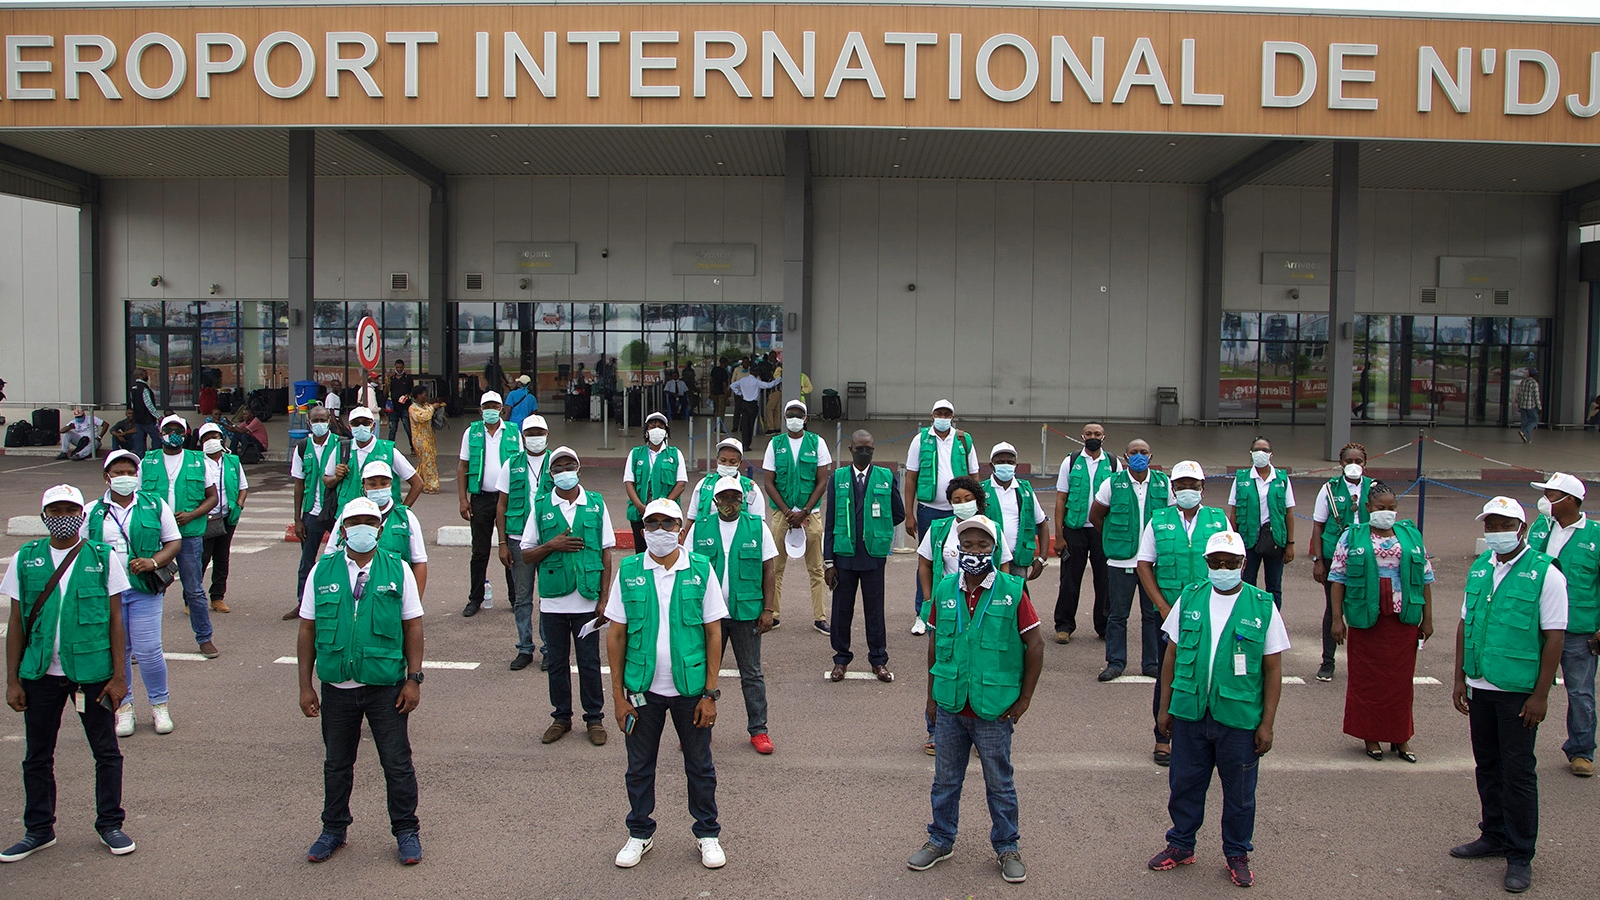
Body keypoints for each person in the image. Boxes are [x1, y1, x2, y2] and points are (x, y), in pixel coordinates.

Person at [1, 484, 135, 863]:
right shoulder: (25, 558)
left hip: (92, 673)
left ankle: (110, 823)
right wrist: (13, 680)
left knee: (106, 751)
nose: (63, 517)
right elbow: (16, 621)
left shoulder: (102, 556)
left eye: (70, 509)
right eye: (55, 510)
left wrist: (119, 676)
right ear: (44, 516)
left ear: (81, 513)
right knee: (37, 755)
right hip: (40, 673)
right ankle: (39, 829)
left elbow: (114, 619)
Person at [908, 515, 1043, 885]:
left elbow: (1035, 644)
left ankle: (1007, 846)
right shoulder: (946, 589)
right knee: (944, 780)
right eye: (967, 545)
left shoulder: (1013, 590)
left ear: (995, 549)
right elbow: (936, 644)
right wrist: (932, 695)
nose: (974, 552)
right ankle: (940, 840)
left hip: (994, 709)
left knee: (999, 782)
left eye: (983, 545)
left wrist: (1025, 699)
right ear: (956, 549)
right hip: (951, 704)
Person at [1149, 530, 1288, 889]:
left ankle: (1237, 853)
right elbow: (1172, 655)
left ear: (1243, 564)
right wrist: (1164, 708)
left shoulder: (1262, 605)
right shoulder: (1191, 597)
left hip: (1239, 718)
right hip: (1191, 711)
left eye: (1230, 563)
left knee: (1240, 793)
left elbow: (1273, 669)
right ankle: (1181, 844)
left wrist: (1267, 724)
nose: (1222, 568)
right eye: (1215, 562)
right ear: (1206, 564)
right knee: (1184, 783)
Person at [295, 497, 425, 867]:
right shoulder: (322, 571)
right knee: (336, 763)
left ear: (380, 529)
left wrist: (413, 679)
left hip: (385, 685)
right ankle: (333, 829)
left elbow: (413, 626)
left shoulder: (398, 570)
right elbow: (307, 628)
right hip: (337, 687)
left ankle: (406, 831)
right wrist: (305, 685)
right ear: (343, 529)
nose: (363, 528)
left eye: (370, 521)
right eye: (355, 522)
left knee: (397, 763)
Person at [1449, 496, 1567, 894]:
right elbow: (1466, 624)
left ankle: (1520, 854)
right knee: (1488, 765)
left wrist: (1541, 695)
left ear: (1521, 528)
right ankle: (1494, 834)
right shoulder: (1481, 567)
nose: (1495, 532)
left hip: (1518, 691)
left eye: (1503, 524)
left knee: (1518, 773)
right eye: (1490, 525)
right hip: (1480, 684)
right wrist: (1458, 678)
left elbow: (1554, 638)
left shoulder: (1545, 574)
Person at [604, 499, 728, 870]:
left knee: (700, 766)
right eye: (653, 524)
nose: (661, 531)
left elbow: (713, 633)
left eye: (668, 524)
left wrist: (710, 693)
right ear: (643, 530)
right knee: (639, 766)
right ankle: (640, 833)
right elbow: (616, 636)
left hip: (690, 690)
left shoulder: (700, 570)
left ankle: (707, 834)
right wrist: (617, 697)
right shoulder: (628, 572)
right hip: (642, 690)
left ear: (680, 528)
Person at [1329, 482, 1435, 762]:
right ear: (1368, 508)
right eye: (1380, 508)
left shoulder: (1411, 536)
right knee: (1368, 681)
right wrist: (1337, 619)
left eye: (1391, 508)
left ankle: (1401, 738)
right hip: (1367, 620)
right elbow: (1337, 579)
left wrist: (1428, 619)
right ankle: (1371, 736)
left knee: (1401, 684)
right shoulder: (1351, 537)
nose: (1386, 513)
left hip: (1403, 621)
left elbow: (1425, 579)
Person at [520, 447, 616, 745]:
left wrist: (603, 599)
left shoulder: (596, 505)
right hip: (553, 601)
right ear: (551, 474)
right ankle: (561, 717)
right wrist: (552, 545)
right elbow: (526, 553)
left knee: (589, 662)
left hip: (587, 599)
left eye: (569, 465)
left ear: (578, 468)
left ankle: (595, 719)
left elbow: (606, 553)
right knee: (558, 662)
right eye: (558, 467)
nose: (564, 471)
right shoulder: (541, 506)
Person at [1136, 461, 1229, 766]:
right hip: (1170, 613)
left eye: (1194, 485)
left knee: (1208, 672)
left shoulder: (1218, 520)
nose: (1188, 490)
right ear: (1173, 488)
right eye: (1182, 485)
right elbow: (1144, 565)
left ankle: (1204, 736)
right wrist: (1163, 607)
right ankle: (1163, 738)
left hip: (1210, 611)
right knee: (1170, 674)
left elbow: (1231, 563)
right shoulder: (1158, 520)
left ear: (1203, 487)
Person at [85, 452, 181, 739]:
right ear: (107, 476)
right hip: (106, 592)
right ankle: (123, 707)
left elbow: (173, 541)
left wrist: (153, 562)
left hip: (143, 589)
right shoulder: (92, 510)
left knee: (149, 649)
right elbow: (79, 551)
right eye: (118, 472)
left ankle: (159, 705)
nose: (124, 477)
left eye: (130, 472)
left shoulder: (154, 505)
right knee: (118, 651)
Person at [916, 477, 1013, 753]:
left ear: (978, 501)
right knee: (943, 666)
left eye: (967, 499)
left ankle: (985, 727)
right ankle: (936, 730)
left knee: (983, 666)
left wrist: (1000, 601)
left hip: (983, 609)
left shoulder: (992, 528)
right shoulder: (938, 529)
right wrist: (928, 598)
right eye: (956, 500)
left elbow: (1003, 565)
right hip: (949, 609)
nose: (962, 504)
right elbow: (925, 564)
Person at [691, 476, 779, 754]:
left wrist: (768, 609)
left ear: (743, 500)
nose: (730, 503)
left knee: (751, 673)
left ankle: (759, 730)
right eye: (725, 498)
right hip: (709, 616)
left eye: (735, 497)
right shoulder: (700, 528)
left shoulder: (757, 527)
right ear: (714, 501)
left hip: (746, 613)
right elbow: (690, 572)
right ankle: (698, 728)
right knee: (703, 673)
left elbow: (769, 571)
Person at [1525, 472, 1600, 777]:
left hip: (1579, 629)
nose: (1545, 500)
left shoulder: (1595, 535)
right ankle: (1520, 745)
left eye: (1551, 494)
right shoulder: (1540, 530)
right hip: (1539, 625)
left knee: (1580, 692)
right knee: (1526, 686)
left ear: (1570, 500)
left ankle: (1582, 751)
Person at [824, 430, 906, 683]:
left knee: (874, 611)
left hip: (873, 555)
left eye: (869, 448)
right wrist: (828, 562)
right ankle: (840, 659)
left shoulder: (884, 476)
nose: (865, 452)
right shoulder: (837, 478)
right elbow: (830, 522)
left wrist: (877, 529)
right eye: (860, 448)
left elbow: (898, 513)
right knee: (841, 611)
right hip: (844, 556)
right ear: (850, 450)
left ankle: (879, 660)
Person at [1091, 439, 1172, 682]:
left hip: (1153, 563)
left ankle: (1152, 663)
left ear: (1151, 455)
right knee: (1118, 615)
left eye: (1143, 452)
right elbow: (1096, 516)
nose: (1139, 456)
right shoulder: (1112, 483)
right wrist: (1115, 540)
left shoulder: (1163, 483)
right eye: (1134, 452)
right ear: (1125, 457)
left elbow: (1172, 516)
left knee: (1152, 614)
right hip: (1120, 562)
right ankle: (1115, 662)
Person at [141, 415, 220, 658]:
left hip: (188, 535)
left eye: (177, 429)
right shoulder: (147, 461)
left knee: (194, 589)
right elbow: (137, 498)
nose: (172, 433)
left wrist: (192, 515)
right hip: (154, 537)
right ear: (160, 432)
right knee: (151, 589)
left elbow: (212, 498)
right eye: (168, 429)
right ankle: (144, 643)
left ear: (186, 433)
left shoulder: (198, 461)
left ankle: (205, 638)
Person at [905, 400, 979, 635]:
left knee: (965, 558)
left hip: (960, 510)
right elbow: (911, 477)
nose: (943, 417)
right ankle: (922, 613)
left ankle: (962, 609)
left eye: (947, 414)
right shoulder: (920, 440)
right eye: (939, 413)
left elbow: (974, 473)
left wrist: (976, 508)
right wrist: (910, 513)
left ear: (953, 417)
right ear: (932, 415)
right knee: (927, 561)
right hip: (929, 509)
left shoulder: (963, 440)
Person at [760, 401, 834, 634]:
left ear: (806, 418)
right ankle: (775, 614)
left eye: (798, 415)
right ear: (784, 418)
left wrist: (804, 510)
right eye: (790, 415)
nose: (794, 418)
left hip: (809, 514)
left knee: (815, 568)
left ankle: (820, 617)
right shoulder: (775, 445)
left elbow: (822, 481)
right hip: (782, 514)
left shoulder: (817, 443)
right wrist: (786, 512)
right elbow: (769, 482)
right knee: (776, 567)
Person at [1309, 443, 1373, 683]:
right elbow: (1318, 525)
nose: (1353, 465)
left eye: (1358, 461)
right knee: (1333, 610)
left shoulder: (1375, 488)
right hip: (1335, 557)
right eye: (1349, 461)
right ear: (1341, 464)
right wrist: (1318, 560)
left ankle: (1363, 662)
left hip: (1366, 557)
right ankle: (1328, 662)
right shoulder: (1328, 489)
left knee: (1365, 608)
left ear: (1365, 464)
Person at [497, 414, 554, 671]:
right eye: (530, 434)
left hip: (550, 540)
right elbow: (502, 504)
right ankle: (524, 647)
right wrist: (501, 542)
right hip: (519, 539)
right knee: (522, 598)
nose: (535, 438)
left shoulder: (558, 462)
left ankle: (548, 648)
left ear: (547, 435)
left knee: (549, 596)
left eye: (539, 433)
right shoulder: (512, 464)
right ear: (523, 437)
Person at [1053, 423, 1120, 643]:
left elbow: (1118, 499)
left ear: (1104, 437)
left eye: (1097, 434)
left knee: (1105, 580)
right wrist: (1059, 534)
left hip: (1103, 530)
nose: (1093, 437)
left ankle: (1104, 626)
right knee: (1070, 580)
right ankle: (1064, 625)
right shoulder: (1071, 462)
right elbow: (1061, 499)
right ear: (1082, 437)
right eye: (1089, 434)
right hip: (1074, 529)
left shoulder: (1112, 463)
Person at [321, 463, 429, 600]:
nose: (378, 489)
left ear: (391, 485)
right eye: (372, 484)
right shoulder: (348, 515)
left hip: (392, 595)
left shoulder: (406, 517)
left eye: (384, 483)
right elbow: (330, 554)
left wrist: (415, 603)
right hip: (350, 594)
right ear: (364, 486)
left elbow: (419, 562)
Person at [458, 391, 518, 618]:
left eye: (495, 406)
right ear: (480, 410)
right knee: (480, 550)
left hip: (508, 499)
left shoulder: (512, 432)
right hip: (481, 498)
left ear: (502, 409)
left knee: (511, 548)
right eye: (487, 407)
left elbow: (519, 467)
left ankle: (515, 598)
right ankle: (475, 599)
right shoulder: (471, 432)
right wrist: (463, 500)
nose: (491, 410)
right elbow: (462, 467)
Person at [286, 406, 341, 620]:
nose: (319, 423)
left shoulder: (341, 445)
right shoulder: (302, 448)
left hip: (335, 511)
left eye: (323, 419)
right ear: (309, 423)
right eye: (315, 420)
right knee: (307, 562)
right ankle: (304, 605)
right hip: (312, 511)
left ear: (329, 421)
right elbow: (298, 485)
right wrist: (298, 519)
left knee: (340, 558)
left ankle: (337, 603)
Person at [1228, 436, 1296, 609]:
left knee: (1274, 586)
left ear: (1271, 454)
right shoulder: (1241, 478)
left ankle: (1273, 622)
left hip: (1275, 540)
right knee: (1247, 582)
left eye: (1265, 450)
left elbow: (1289, 513)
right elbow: (1234, 513)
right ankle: (1248, 617)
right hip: (1248, 540)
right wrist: (1232, 541)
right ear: (1251, 454)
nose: (1261, 453)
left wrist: (1290, 543)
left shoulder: (1281, 478)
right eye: (1257, 450)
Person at [197, 422, 247, 614]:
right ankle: (191, 598)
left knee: (222, 557)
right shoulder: (196, 462)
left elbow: (243, 486)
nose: (211, 441)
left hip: (227, 516)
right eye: (207, 438)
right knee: (202, 557)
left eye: (215, 437)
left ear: (222, 439)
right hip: (204, 517)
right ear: (201, 442)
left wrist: (239, 505)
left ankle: (217, 597)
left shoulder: (232, 461)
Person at [982, 442, 1049, 583]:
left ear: (1016, 466)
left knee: (1018, 599)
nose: (1005, 465)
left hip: (1018, 560)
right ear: (991, 465)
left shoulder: (1025, 491)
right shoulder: (981, 491)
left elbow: (1042, 523)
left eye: (1009, 462)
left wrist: (1042, 558)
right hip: (989, 560)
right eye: (1000, 462)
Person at [623, 413, 688, 551]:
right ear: (646, 432)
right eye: (652, 427)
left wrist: (663, 507)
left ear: (665, 431)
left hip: (668, 514)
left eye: (660, 426)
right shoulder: (635, 454)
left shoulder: (675, 454)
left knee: (667, 550)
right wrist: (641, 507)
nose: (656, 429)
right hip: (639, 512)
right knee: (641, 551)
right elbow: (629, 483)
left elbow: (681, 484)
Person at [685, 438, 766, 527]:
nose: (727, 465)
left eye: (732, 462)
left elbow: (758, 523)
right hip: (708, 536)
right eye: (723, 460)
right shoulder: (704, 484)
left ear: (740, 462)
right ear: (717, 459)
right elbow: (691, 518)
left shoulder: (751, 488)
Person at [729, 367, 780, 449]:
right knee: (750, 425)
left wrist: (739, 393)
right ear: (756, 373)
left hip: (744, 403)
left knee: (745, 424)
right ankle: (747, 444)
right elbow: (769, 385)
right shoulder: (757, 382)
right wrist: (779, 379)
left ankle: (744, 443)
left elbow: (732, 385)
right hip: (752, 404)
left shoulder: (743, 380)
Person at [406, 386, 441, 493]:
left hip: (429, 438)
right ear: (418, 395)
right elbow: (422, 417)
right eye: (424, 395)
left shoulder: (426, 406)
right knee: (428, 462)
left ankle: (419, 481)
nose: (425, 397)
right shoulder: (413, 408)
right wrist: (432, 408)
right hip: (420, 440)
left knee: (424, 462)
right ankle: (431, 486)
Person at [127, 369, 160, 456]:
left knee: (139, 439)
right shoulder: (144, 388)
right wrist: (158, 416)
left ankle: (140, 458)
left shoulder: (133, 388)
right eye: (146, 374)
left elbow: (133, 404)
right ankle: (153, 455)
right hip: (147, 419)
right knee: (156, 437)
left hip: (137, 418)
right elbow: (148, 404)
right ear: (142, 375)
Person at [388, 359, 415, 452]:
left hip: (405, 407)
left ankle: (413, 448)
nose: (399, 369)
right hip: (393, 408)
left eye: (400, 367)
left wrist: (408, 396)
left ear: (403, 367)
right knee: (392, 428)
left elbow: (412, 391)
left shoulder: (408, 378)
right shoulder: (391, 379)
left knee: (408, 428)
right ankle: (390, 448)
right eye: (397, 367)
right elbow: (387, 392)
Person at [1516, 367, 1541, 444]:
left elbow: (1519, 394)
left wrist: (1519, 404)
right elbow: (1536, 396)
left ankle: (1527, 438)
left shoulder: (1523, 382)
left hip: (1523, 405)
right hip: (1531, 405)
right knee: (1535, 420)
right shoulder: (1534, 383)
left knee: (1524, 421)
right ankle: (1525, 431)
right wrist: (1539, 407)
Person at [709, 359, 730, 425]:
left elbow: (711, 382)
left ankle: (716, 425)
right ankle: (719, 427)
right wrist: (726, 398)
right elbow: (724, 386)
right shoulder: (724, 372)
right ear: (725, 363)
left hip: (715, 393)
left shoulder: (714, 369)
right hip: (721, 394)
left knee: (716, 410)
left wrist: (710, 392)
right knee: (721, 411)